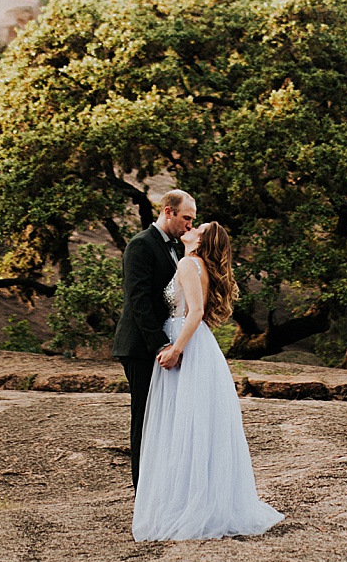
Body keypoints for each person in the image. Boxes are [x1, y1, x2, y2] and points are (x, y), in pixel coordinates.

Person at [131, 221, 283, 541]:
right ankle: (195, 499)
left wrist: (175, 350)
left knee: (182, 423)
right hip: (200, 343)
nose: (190, 226)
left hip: (185, 340)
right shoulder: (195, 262)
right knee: (190, 423)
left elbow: (195, 311)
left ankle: (187, 504)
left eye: (196, 226)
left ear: (201, 239)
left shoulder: (189, 263)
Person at [112, 190, 195, 489]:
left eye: (193, 220)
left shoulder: (176, 247)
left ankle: (162, 488)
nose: (189, 225)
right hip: (140, 346)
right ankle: (142, 493)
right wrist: (161, 344)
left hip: (163, 342)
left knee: (163, 418)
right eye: (186, 218)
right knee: (145, 419)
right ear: (168, 212)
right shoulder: (141, 245)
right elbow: (139, 301)